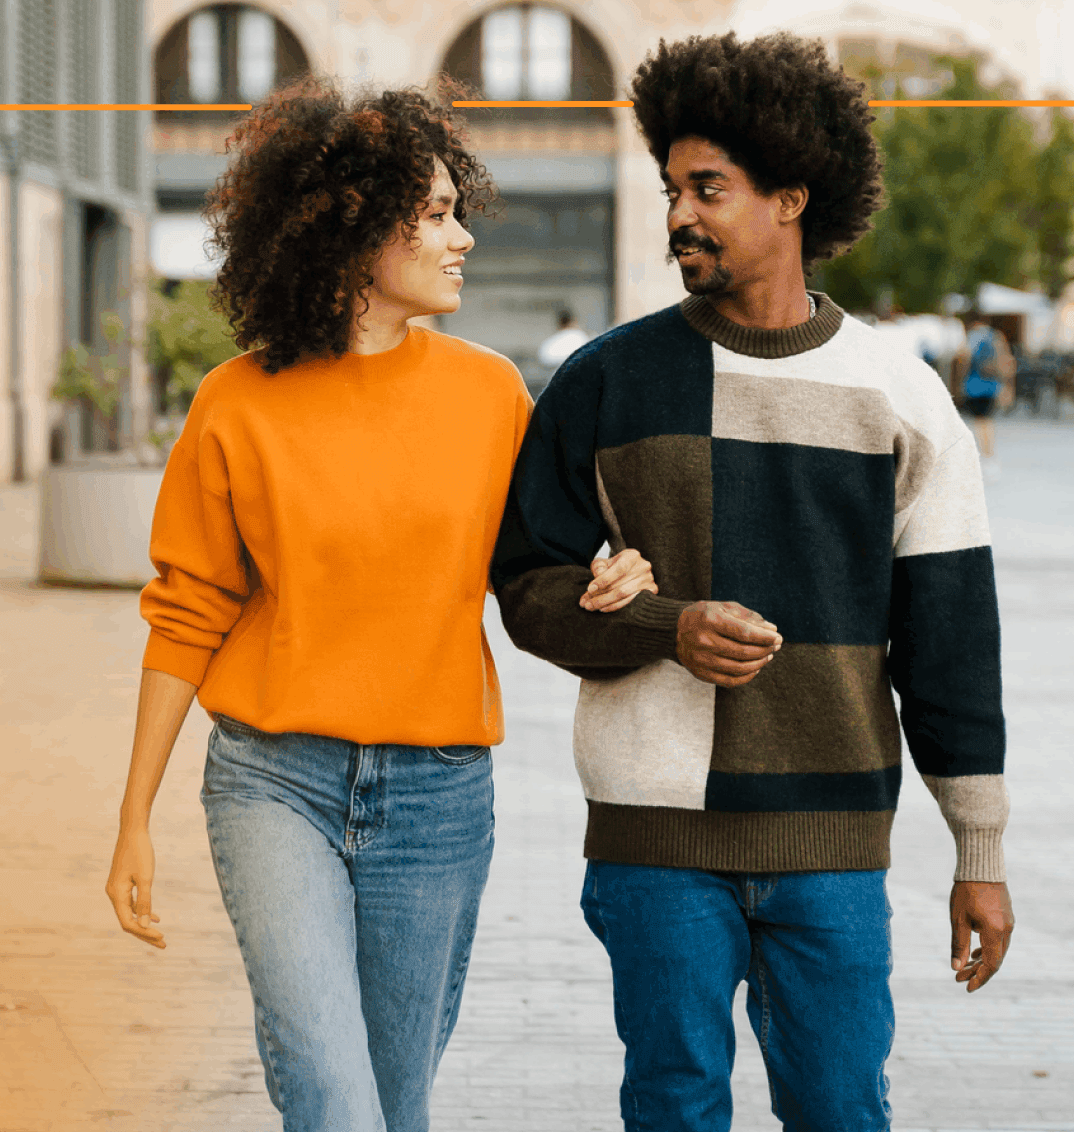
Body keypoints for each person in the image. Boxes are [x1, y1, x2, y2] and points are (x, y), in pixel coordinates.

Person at [103, 79, 659, 1132]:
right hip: (273, 779)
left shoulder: (493, 394)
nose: (464, 242)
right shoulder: (234, 403)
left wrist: (613, 578)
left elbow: (542, 565)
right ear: (355, 225)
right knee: (330, 1090)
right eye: (439, 214)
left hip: (439, 796)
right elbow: (187, 608)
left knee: (396, 1109)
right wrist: (133, 815)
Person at [489, 32, 1014, 1132]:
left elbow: (951, 650)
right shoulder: (606, 382)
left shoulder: (901, 397)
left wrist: (980, 852)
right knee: (673, 1108)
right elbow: (526, 583)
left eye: (708, 188)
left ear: (790, 196)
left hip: (830, 846)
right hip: (654, 838)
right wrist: (661, 625)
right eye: (671, 187)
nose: (679, 212)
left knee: (841, 1109)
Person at [955, 312, 1016, 472]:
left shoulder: (971, 337)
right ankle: (989, 455)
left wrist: (958, 383)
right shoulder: (995, 336)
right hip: (992, 385)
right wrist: (1008, 386)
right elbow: (1007, 360)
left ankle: (986, 455)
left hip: (974, 385)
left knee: (980, 422)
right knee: (987, 421)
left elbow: (964, 360)